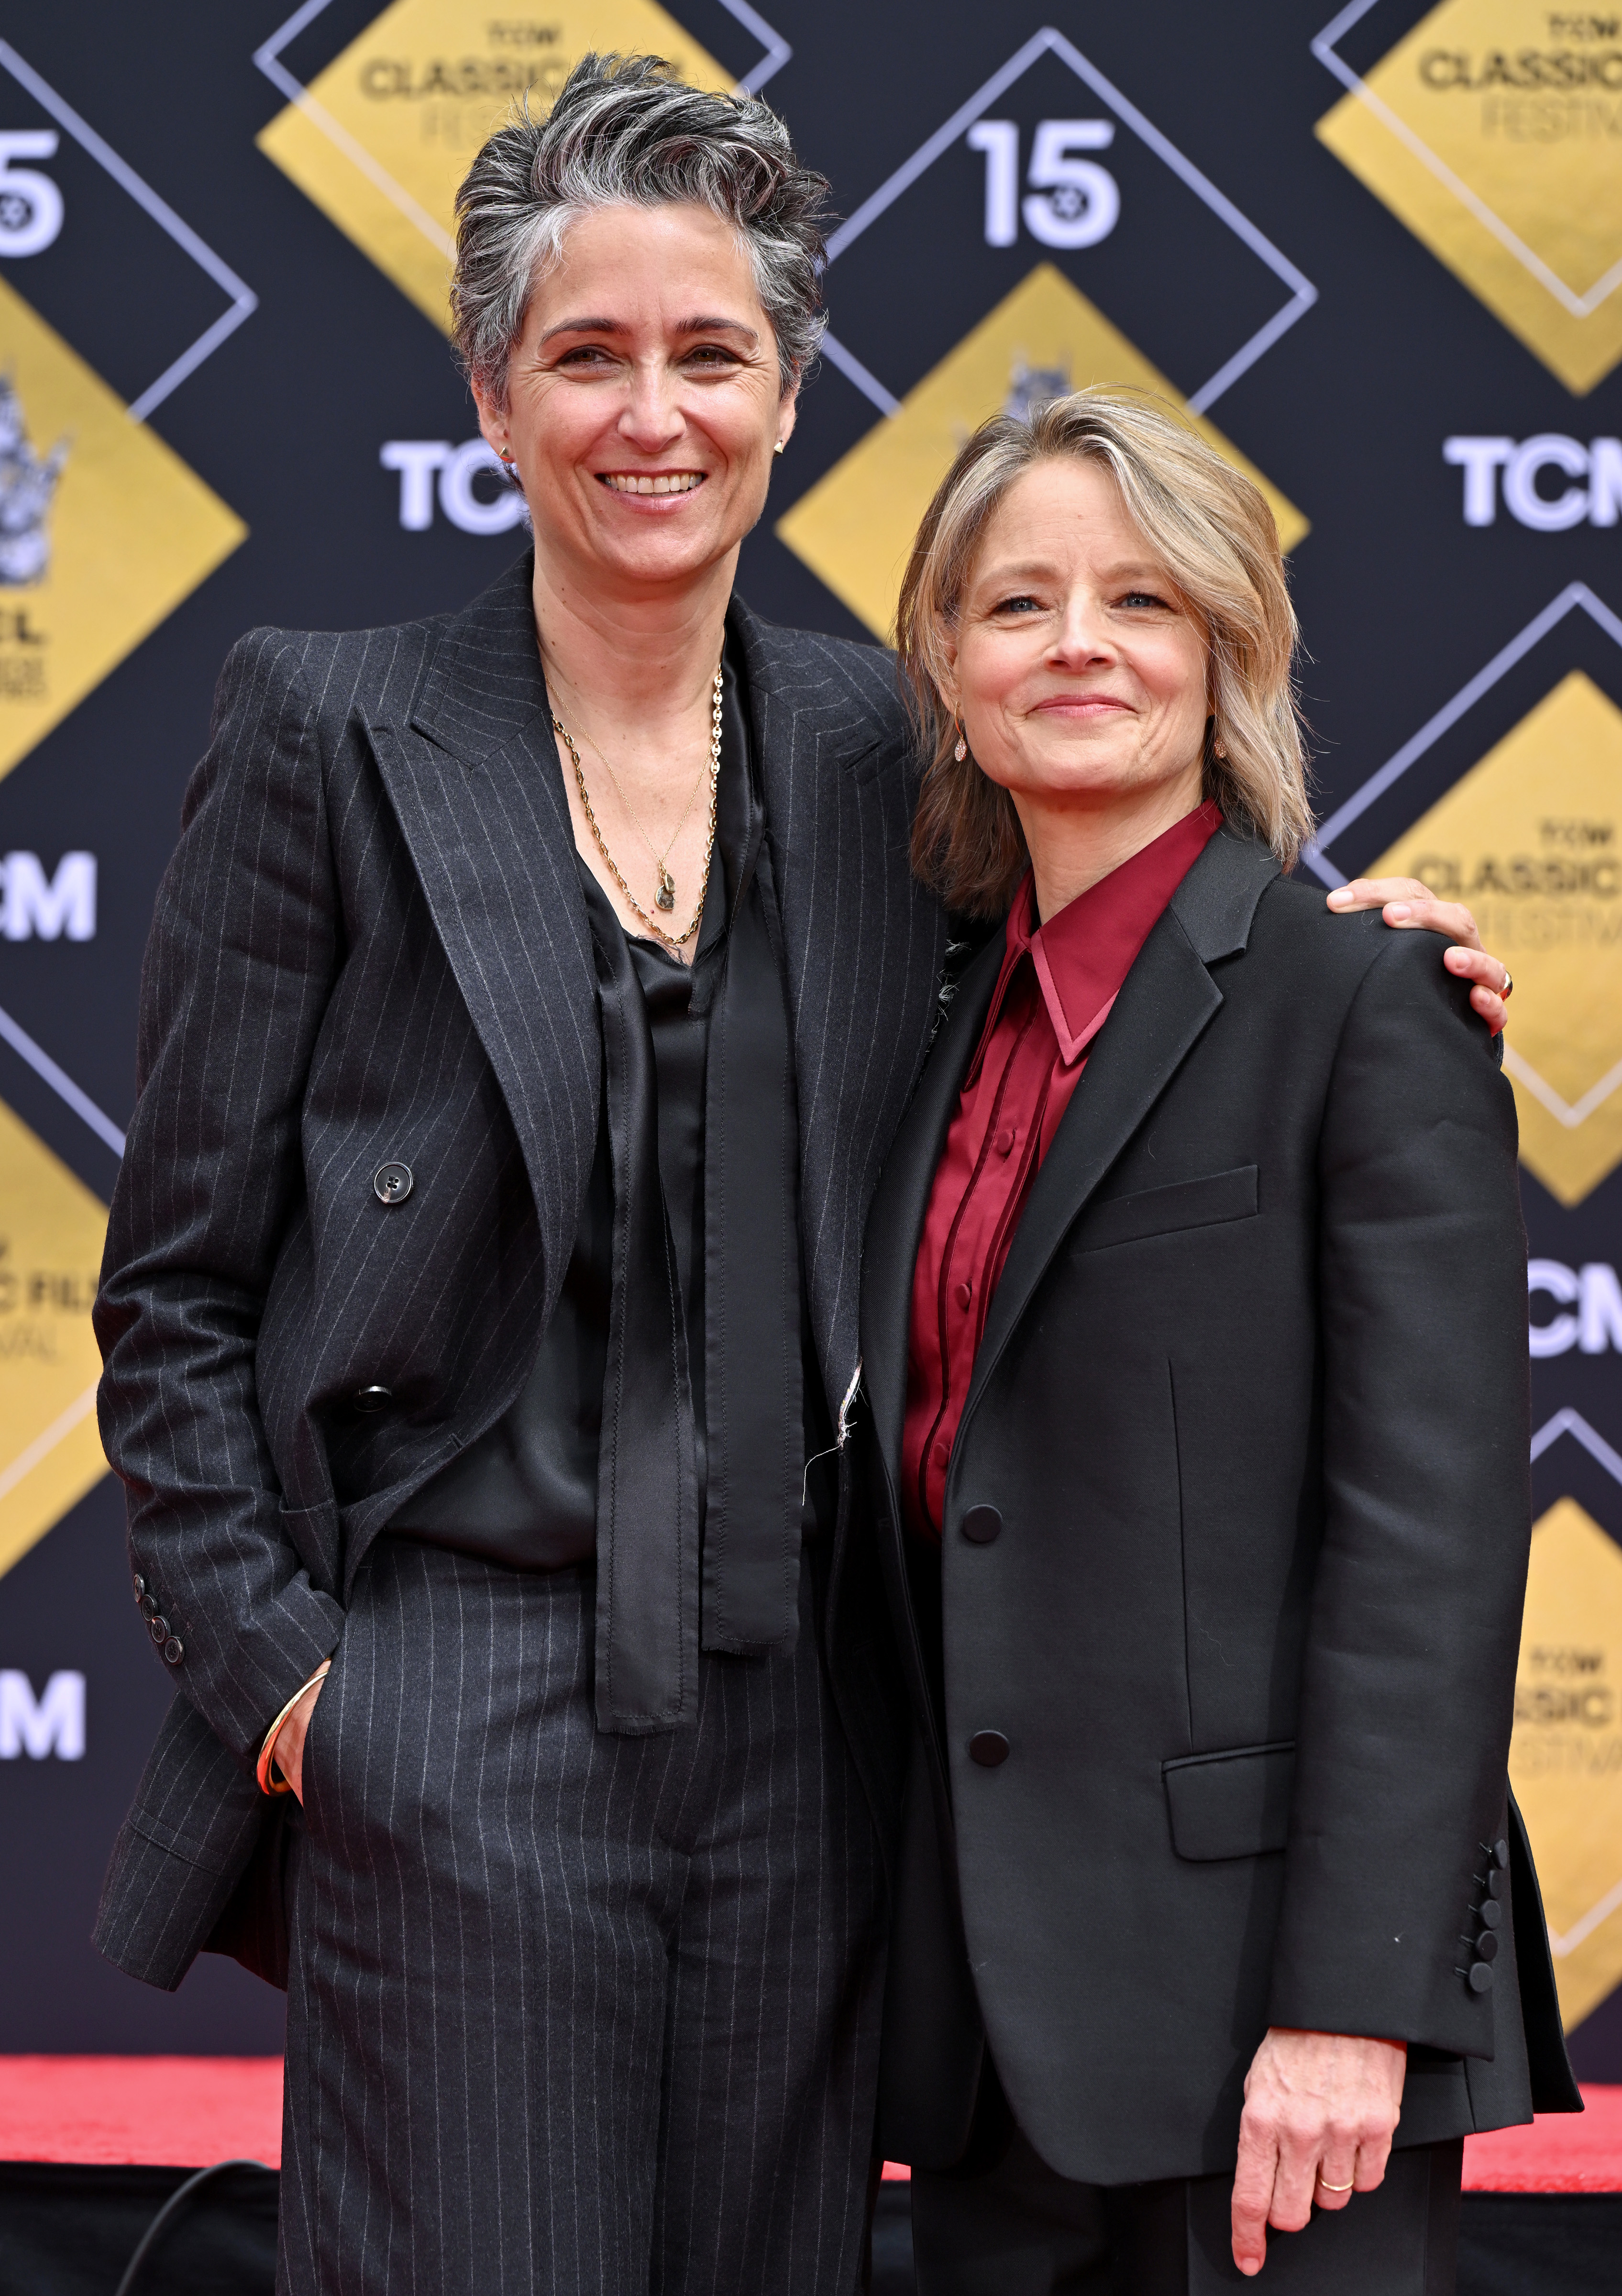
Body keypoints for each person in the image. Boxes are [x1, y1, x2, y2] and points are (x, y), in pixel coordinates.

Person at [90, 55, 1514, 2296]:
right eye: (586, 355)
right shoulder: (327, 724)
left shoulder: (877, 749)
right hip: (449, 1701)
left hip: (816, 1742)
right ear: (490, 398)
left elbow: (1133, 975)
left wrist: (1363, 926)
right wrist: (297, 1686)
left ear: (784, 398)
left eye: (709, 356)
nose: (650, 415)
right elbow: (172, 1287)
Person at [860, 387, 1577, 2296]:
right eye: (1015, 605)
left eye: (1142, 600)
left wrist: (1355, 2011)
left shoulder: (1365, 1004)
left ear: (1225, 652)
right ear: (942, 660)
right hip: (990, 2050)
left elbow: (1422, 1558)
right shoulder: (920, 1032)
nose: (1076, 642)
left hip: (1276, 2041)